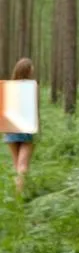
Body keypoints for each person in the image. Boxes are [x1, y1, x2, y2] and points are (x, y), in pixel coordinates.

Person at [3, 57, 38, 194]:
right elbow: (33, 109)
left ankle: (18, 194)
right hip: (25, 129)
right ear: (27, 70)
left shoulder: (7, 87)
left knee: (17, 164)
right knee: (23, 165)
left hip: (10, 129)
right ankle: (19, 198)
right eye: (31, 68)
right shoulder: (31, 86)